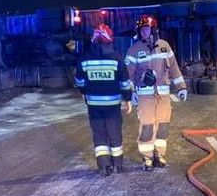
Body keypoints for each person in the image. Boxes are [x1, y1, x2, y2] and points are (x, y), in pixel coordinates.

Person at [124, 15, 187, 171]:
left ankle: (160, 155)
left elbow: (174, 69)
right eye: (142, 30)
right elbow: (128, 75)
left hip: (163, 96)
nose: (145, 32)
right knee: (147, 127)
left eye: (147, 29)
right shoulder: (134, 50)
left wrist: (181, 87)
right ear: (139, 32)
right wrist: (129, 94)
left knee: (163, 126)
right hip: (145, 97)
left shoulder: (164, 46)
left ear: (153, 29)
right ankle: (147, 158)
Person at [75, 23, 132, 176]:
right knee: (114, 133)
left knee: (99, 134)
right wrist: (128, 99)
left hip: (93, 104)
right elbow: (124, 82)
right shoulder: (116, 57)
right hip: (113, 105)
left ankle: (103, 167)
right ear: (109, 39)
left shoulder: (85, 57)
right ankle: (117, 166)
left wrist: (84, 93)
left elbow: (79, 81)